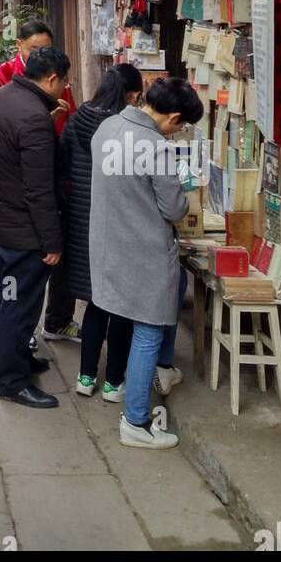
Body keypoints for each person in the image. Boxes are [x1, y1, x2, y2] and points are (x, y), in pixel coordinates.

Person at [90, 75, 203, 449]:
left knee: (131, 322)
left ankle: (134, 408)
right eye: (181, 125)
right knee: (149, 331)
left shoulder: (107, 127)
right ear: (172, 117)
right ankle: (136, 421)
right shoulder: (155, 146)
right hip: (145, 251)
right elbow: (172, 207)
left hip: (110, 246)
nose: (179, 131)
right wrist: (186, 201)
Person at [0, 45, 71, 410]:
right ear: (51, 79)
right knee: (18, 307)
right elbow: (39, 189)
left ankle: (19, 361)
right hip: (24, 232)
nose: (65, 89)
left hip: (1, 222)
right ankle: (12, 381)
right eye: (64, 82)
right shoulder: (33, 117)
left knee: (11, 300)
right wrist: (51, 241)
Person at [0, 19, 79, 343]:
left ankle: (56, 320)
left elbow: (68, 123)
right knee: (29, 268)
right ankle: (20, 341)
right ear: (20, 47)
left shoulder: (57, 77)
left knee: (57, 258)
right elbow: (13, 126)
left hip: (54, 167)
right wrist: (45, 119)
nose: (40, 53)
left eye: (46, 48)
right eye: (34, 49)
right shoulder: (5, 76)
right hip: (23, 178)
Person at [62, 64, 143, 402]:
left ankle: (85, 377)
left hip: (82, 220)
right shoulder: (125, 129)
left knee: (96, 302)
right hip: (117, 222)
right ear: (130, 94)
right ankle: (112, 383)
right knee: (121, 304)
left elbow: (64, 162)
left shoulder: (79, 118)